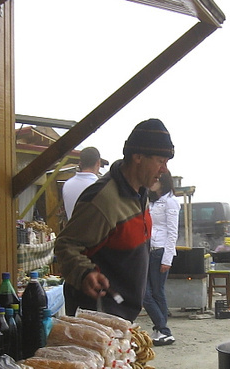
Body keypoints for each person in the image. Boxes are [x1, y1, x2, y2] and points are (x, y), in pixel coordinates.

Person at [54, 119, 174, 321]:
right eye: (160, 161)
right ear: (138, 157)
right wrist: (85, 273)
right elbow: (66, 245)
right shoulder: (103, 199)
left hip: (122, 314)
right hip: (96, 315)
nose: (164, 170)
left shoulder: (140, 194)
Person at [143, 170, 179, 345]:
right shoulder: (154, 201)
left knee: (155, 292)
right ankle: (162, 329)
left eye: (156, 180)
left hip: (161, 250)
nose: (153, 182)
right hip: (150, 249)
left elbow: (173, 232)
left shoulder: (170, 202)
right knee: (148, 293)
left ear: (163, 182)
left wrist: (168, 258)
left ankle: (163, 330)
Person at [61, 147, 108, 220]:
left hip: (72, 230)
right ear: (98, 163)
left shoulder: (67, 184)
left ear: (81, 163)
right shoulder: (100, 187)